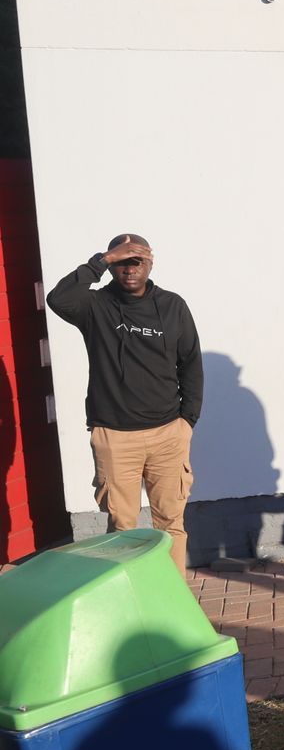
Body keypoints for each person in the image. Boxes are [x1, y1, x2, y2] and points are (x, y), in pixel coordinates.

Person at [48, 233, 202, 575]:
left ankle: (173, 595)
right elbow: (58, 298)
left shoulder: (172, 306)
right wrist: (101, 260)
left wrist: (187, 421)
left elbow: (190, 362)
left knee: (171, 524)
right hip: (115, 437)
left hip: (168, 434)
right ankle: (129, 597)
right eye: (121, 263)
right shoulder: (94, 307)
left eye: (137, 261)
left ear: (150, 263)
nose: (129, 269)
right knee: (122, 528)